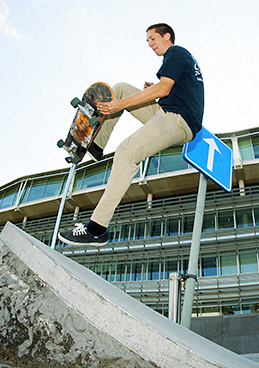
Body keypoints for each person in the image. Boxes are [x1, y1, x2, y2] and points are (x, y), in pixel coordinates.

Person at [58, 23, 204, 246]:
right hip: (166, 111)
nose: (150, 45)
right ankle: (96, 144)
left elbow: (164, 89)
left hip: (178, 120)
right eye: (147, 41)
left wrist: (122, 105)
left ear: (167, 36)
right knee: (121, 87)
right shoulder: (181, 59)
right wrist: (151, 88)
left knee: (126, 152)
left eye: (153, 39)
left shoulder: (176, 52)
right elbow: (172, 89)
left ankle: (97, 229)